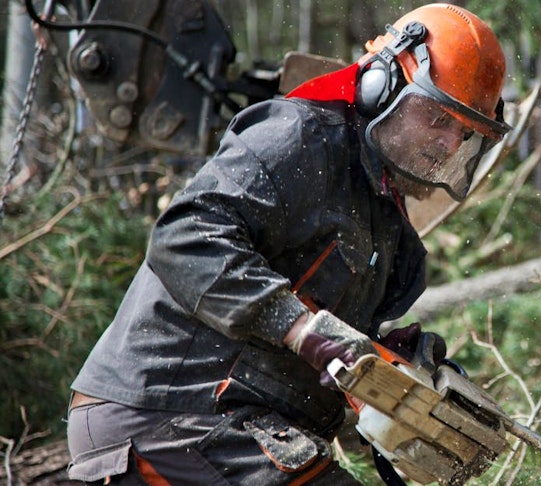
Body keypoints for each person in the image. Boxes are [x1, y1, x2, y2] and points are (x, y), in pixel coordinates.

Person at [65, 4, 509, 484]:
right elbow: (186, 235)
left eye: (465, 132)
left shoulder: (383, 215)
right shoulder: (300, 138)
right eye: (437, 117)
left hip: (237, 424)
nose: (449, 144)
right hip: (165, 411)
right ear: (382, 85)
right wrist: (301, 329)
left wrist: (392, 366)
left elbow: (327, 343)